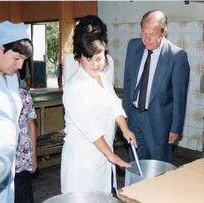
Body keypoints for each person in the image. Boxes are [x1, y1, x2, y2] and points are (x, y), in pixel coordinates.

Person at [61, 33, 137, 195]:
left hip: (102, 151)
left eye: (99, 58)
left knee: (101, 196)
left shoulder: (102, 77)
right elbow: (90, 128)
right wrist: (113, 156)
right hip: (82, 157)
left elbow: (115, 104)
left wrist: (125, 129)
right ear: (79, 58)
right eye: (89, 59)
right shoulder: (74, 87)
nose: (96, 64)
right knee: (83, 195)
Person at [123, 10, 190, 163]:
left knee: (159, 164)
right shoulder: (133, 46)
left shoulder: (177, 56)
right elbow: (128, 82)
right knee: (135, 163)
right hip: (134, 116)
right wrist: (126, 114)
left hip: (159, 121)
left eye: (151, 35)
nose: (146, 39)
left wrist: (175, 128)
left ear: (164, 32)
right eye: (143, 33)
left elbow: (180, 98)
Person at [0, 20, 33, 202]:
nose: (20, 66)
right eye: (17, 58)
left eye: (24, 60)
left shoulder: (12, 76)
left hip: (8, 163)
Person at [63, 15, 114, 86]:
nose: (92, 40)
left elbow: (108, 89)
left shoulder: (108, 60)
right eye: (88, 35)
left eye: (96, 35)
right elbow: (68, 88)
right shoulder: (70, 59)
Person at [14, 86, 37, 203]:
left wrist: (33, 157)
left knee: (23, 194)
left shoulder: (23, 94)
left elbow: (31, 125)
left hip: (21, 159)